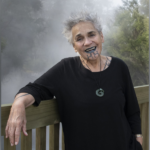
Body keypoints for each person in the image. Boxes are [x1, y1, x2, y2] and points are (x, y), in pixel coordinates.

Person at [5, 11, 143, 150]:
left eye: (91, 34)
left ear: (101, 37)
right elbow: (35, 89)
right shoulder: (65, 69)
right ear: (74, 47)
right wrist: (19, 104)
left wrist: (138, 140)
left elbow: (132, 110)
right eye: (79, 39)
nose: (87, 42)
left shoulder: (119, 67)